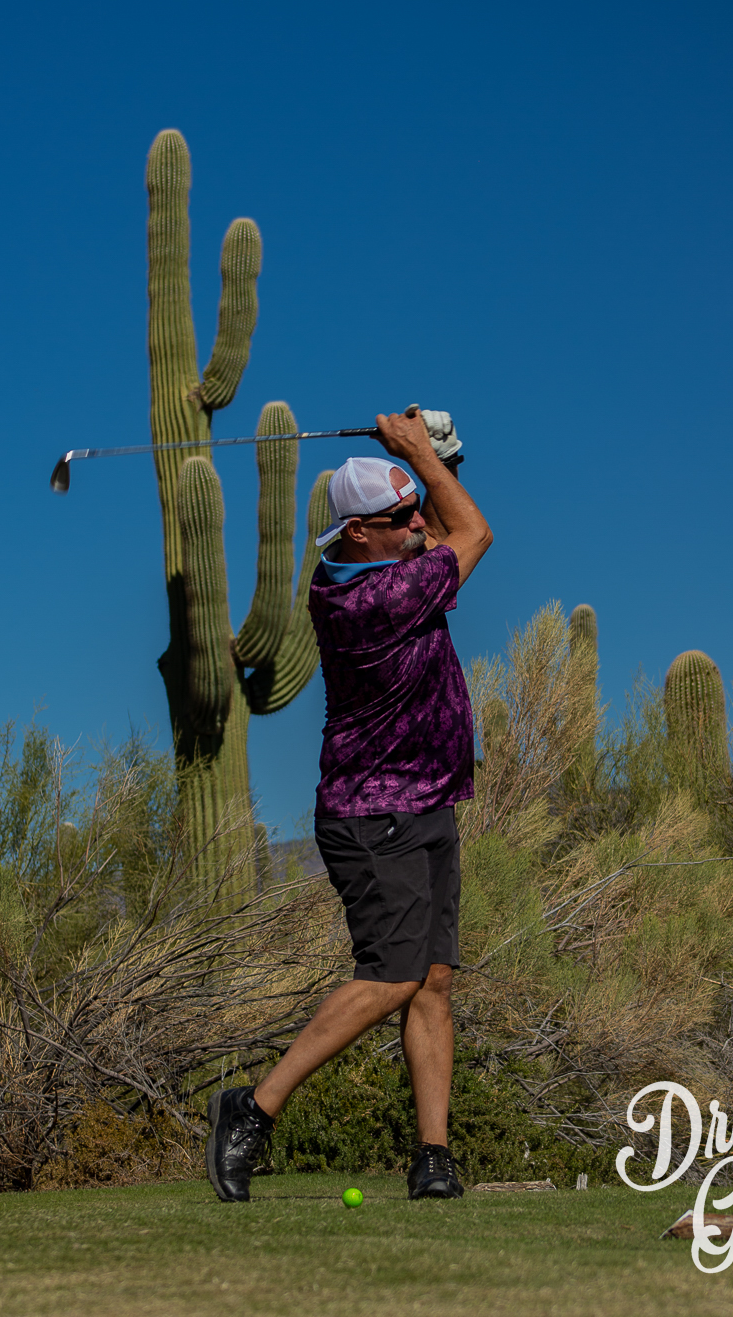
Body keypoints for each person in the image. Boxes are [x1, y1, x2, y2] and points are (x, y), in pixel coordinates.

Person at [205, 405, 493, 1202]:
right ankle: (253, 1108)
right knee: (393, 977)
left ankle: (433, 1156)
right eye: (400, 518)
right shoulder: (371, 599)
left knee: (432, 980)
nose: (416, 524)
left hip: (426, 802)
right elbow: (472, 534)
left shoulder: (387, 562)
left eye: (413, 511)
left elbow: (442, 523)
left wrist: (433, 454)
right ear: (359, 533)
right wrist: (420, 456)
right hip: (374, 817)